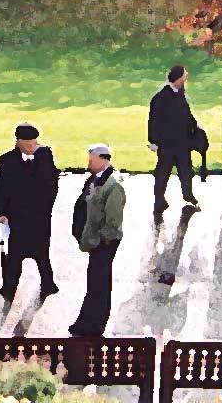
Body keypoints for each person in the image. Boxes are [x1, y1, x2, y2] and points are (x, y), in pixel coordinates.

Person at [0, 123, 59, 302]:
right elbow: (1, 188)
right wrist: (2, 212)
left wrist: (46, 208)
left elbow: (52, 185)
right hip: (17, 218)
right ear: (18, 142)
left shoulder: (45, 156)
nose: (32, 147)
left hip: (40, 217)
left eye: (34, 143)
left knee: (42, 254)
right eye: (28, 144)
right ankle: (9, 288)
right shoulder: (7, 160)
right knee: (14, 256)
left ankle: (48, 284)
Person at [69, 143, 126, 336]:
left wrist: (97, 241)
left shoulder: (113, 185)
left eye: (91, 160)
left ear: (102, 159)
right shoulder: (98, 179)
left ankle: (93, 324)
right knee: (95, 282)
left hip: (103, 244)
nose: (89, 163)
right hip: (96, 241)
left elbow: (113, 222)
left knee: (99, 283)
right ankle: (87, 321)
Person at [148, 65, 200, 213]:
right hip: (167, 143)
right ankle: (159, 199)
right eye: (184, 74)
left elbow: (187, 114)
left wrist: (195, 125)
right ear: (178, 77)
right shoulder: (161, 97)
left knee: (186, 170)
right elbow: (154, 121)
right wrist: (153, 141)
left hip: (182, 142)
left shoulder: (180, 94)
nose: (187, 76)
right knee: (163, 172)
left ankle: (188, 195)